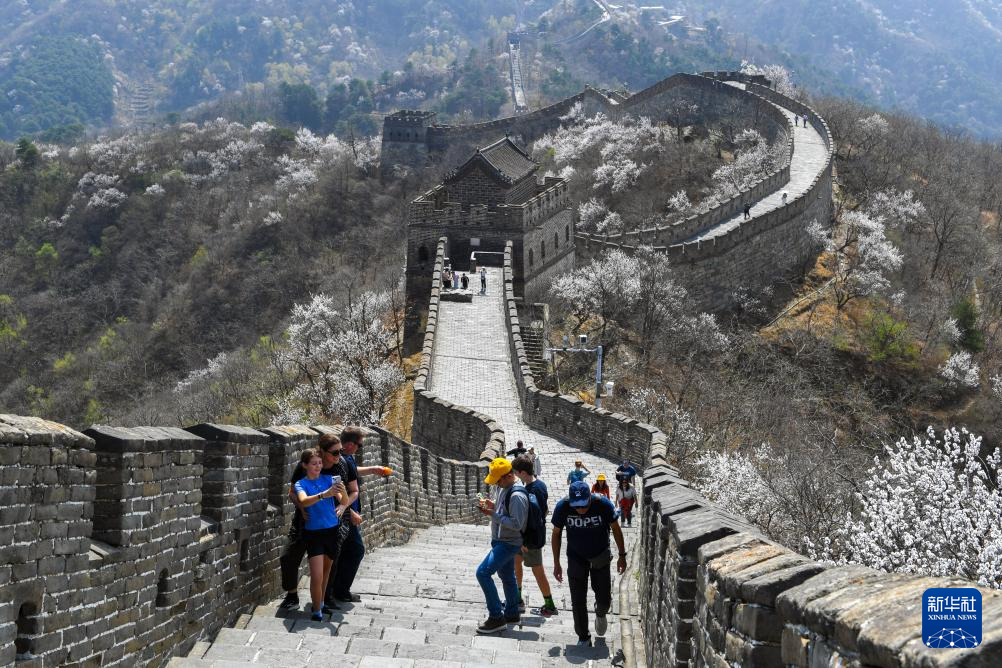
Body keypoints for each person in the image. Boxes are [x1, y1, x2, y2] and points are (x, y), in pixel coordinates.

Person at [279, 435, 354, 612]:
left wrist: (344, 506)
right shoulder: (305, 467)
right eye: (335, 452)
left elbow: (347, 493)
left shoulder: (339, 467)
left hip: (331, 523)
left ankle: (323, 600)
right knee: (288, 556)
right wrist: (301, 507)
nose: (339, 455)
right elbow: (292, 492)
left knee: (330, 565)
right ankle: (291, 595)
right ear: (323, 451)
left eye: (341, 451)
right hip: (305, 522)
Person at [552, 481, 627, 646]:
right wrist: (556, 563)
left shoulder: (602, 504)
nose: (580, 510)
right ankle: (583, 636)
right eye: (576, 506)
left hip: (600, 556)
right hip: (576, 557)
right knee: (577, 599)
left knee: (604, 600)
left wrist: (622, 555)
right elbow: (556, 534)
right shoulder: (563, 507)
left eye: (583, 505)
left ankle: (600, 613)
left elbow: (615, 528)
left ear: (589, 498)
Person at [328, 426, 393, 603]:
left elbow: (352, 471)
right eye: (359, 445)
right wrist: (350, 511)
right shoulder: (340, 460)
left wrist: (373, 469)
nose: (360, 448)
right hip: (345, 515)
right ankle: (339, 591)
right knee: (356, 550)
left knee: (345, 551)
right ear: (349, 444)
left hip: (345, 513)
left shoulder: (345, 458)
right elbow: (337, 491)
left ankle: (335, 590)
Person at [293, 448, 348, 621]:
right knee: (316, 575)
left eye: (319, 463)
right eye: (314, 463)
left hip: (332, 531)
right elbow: (303, 501)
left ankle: (321, 603)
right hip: (314, 533)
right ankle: (316, 611)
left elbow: (344, 501)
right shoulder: (301, 484)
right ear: (305, 465)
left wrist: (343, 490)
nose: (318, 466)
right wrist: (324, 495)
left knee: (325, 572)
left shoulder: (328, 479)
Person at [476, 458, 528, 634]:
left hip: (508, 542)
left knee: (483, 573)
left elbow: (517, 524)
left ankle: (496, 617)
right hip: (501, 540)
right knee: (507, 575)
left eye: (497, 480)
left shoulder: (517, 496)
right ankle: (512, 612)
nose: (496, 484)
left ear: (508, 476)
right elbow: (503, 510)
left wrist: (493, 514)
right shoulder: (503, 489)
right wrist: (493, 506)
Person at [511, 456, 558, 617]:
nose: (514, 475)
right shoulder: (540, 484)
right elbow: (545, 510)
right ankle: (517, 599)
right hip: (523, 537)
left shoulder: (531, 491)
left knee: (538, 570)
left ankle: (550, 605)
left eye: (515, 472)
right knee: (516, 563)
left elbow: (536, 518)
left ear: (522, 472)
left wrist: (525, 540)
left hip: (530, 539)